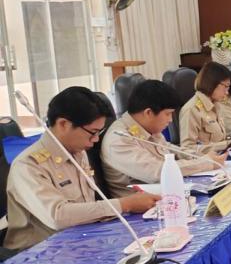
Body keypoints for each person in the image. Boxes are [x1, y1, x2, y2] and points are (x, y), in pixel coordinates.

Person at [3, 88, 159, 250]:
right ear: (63, 124)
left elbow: (86, 208)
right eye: (92, 132)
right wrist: (124, 204)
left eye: (99, 132)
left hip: (80, 241)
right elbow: (57, 216)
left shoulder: (78, 152)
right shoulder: (28, 165)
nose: (96, 139)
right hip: (39, 252)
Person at [102, 80, 225, 198]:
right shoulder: (118, 139)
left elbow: (170, 149)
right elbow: (157, 172)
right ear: (148, 113)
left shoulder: (146, 127)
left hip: (166, 194)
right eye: (168, 114)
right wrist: (205, 163)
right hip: (141, 207)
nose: (170, 120)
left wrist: (199, 156)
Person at [179, 62, 231, 155]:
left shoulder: (216, 105)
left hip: (222, 157)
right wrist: (226, 145)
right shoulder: (192, 109)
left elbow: (220, 139)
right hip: (207, 161)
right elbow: (187, 150)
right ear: (212, 83)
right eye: (226, 86)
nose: (227, 92)